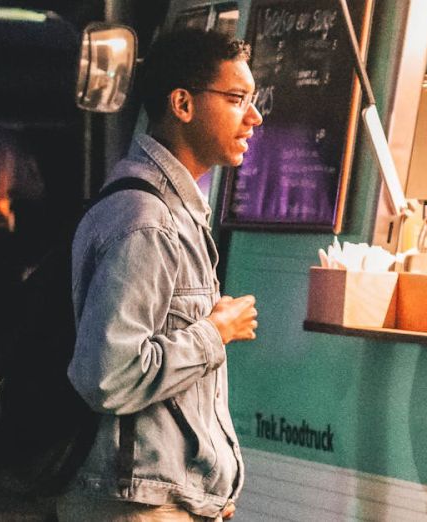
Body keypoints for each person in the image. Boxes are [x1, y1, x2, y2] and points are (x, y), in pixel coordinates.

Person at [61, 29, 262, 521]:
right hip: (139, 506)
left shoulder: (167, 211)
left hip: (161, 502)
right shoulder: (146, 221)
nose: (253, 117)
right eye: (237, 99)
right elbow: (108, 375)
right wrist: (215, 333)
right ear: (182, 104)